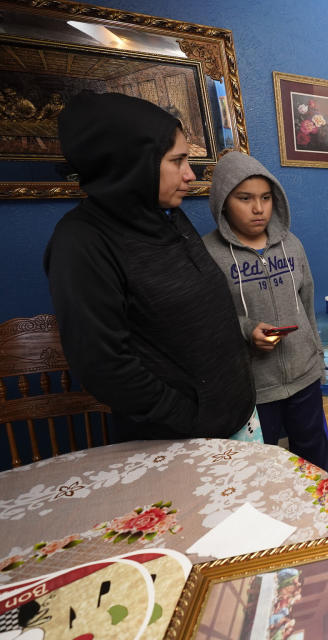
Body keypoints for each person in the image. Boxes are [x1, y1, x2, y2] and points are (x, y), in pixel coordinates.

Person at [44, 92, 257, 442]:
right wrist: (190, 418)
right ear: (132, 162)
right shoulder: (81, 243)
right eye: (178, 161)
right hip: (178, 438)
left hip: (234, 419)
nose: (190, 175)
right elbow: (106, 367)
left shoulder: (167, 215)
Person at [203, 151, 328, 471]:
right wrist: (248, 330)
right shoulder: (209, 253)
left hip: (304, 376)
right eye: (244, 198)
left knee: (314, 457)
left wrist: (318, 358)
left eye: (265, 197)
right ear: (223, 201)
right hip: (254, 386)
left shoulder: (293, 245)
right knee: (260, 467)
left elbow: (307, 305)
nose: (258, 208)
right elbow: (208, 322)